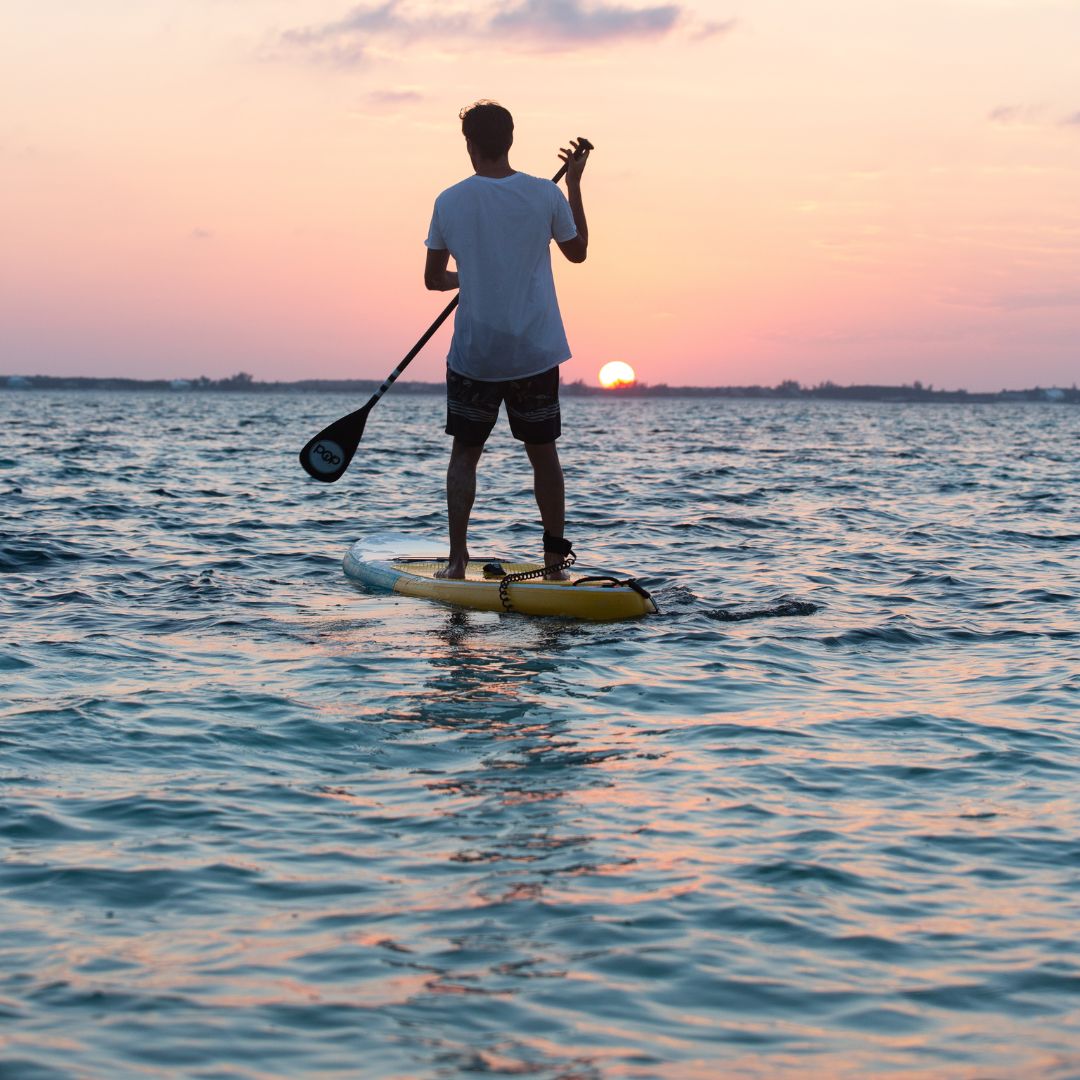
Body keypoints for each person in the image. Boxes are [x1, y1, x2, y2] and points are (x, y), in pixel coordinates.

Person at [423, 100, 589, 580]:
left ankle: (457, 562)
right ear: (510, 140)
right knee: (544, 456)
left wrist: (472, 276)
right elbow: (578, 253)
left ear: (469, 144)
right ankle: (554, 566)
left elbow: (433, 279)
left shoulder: (449, 200)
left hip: (475, 355)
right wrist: (574, 184)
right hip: (534, 352)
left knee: (465, 454)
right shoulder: (545, 193)